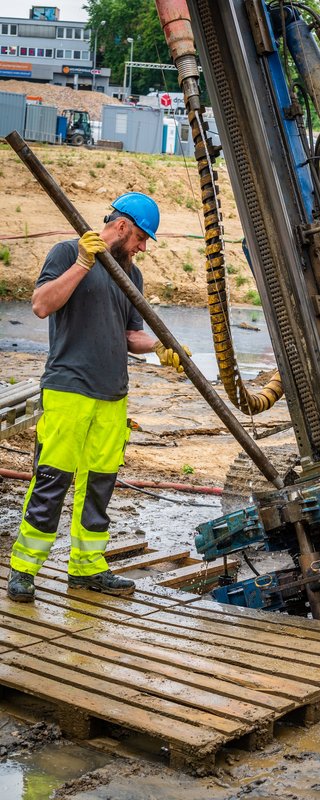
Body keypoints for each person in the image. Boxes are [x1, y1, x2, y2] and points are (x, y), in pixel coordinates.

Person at [7, 192, 187, 603]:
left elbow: (129, 335)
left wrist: (160, 345)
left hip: (112, 395)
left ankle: (87, 569)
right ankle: (25, 569)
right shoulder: (68, 253)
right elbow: (40, 305)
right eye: (141, 237)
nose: (143, 247)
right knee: (52, 480)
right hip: (69, 389)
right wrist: (82, 265)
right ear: (122, 226)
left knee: (99, 485)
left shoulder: (131, 276)